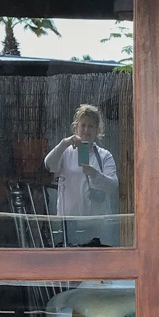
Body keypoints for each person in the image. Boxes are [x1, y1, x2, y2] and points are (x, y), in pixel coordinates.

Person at [44, 104, 119, 245]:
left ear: (97, 130)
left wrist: (95, 174)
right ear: (76, 127)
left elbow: (113, 186)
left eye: (91, 126)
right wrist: (64, 143)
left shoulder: (104, 156)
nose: (86, 130)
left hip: (96, 226)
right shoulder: (66, 153)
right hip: (69, 224)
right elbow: (49, 165)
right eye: (83, 125)